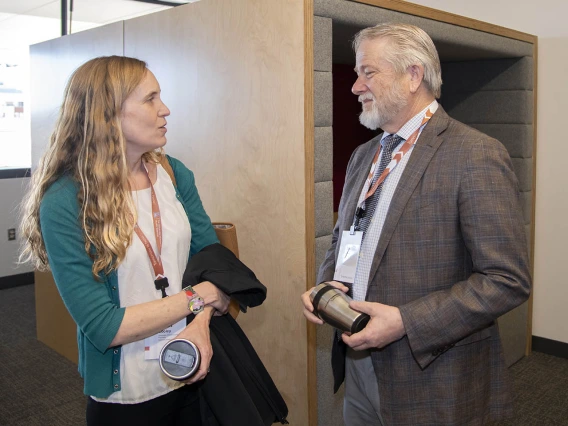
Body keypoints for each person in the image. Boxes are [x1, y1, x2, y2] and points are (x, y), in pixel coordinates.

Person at [301, 23, 531, 426]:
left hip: (433, 375)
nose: (355, 86)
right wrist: (328, 284)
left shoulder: (475, 154)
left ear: (413, 75)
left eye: (368, 72)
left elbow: (506, 279)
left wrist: (406, 322)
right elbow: (346, 237)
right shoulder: (364, 155)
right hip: (358, 363)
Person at [20, 56, 231, 426]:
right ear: (108, 113)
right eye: (150, 99)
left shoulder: (173, 174)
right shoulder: (65, 201)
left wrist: (200, 323)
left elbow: (214, 266)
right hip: (126, 394)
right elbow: (104, 326)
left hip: (193, 369)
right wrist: (199, 298)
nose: (164, 110)